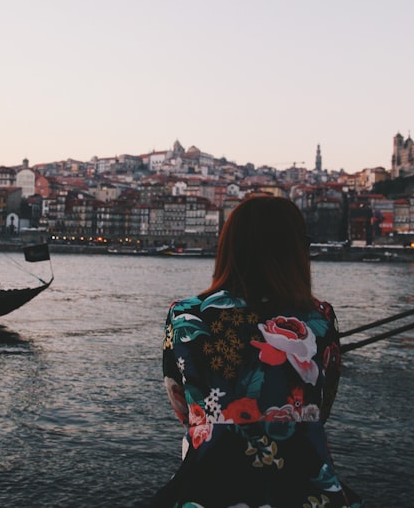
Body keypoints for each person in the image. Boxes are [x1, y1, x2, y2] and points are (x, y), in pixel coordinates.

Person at [150, 195, 362, 507]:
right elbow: (321, 406)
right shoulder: (321, 318)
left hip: (209, 484)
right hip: (304, 484)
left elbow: (185, 409)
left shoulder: (185, 315)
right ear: (294, 251)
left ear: (229, 248)